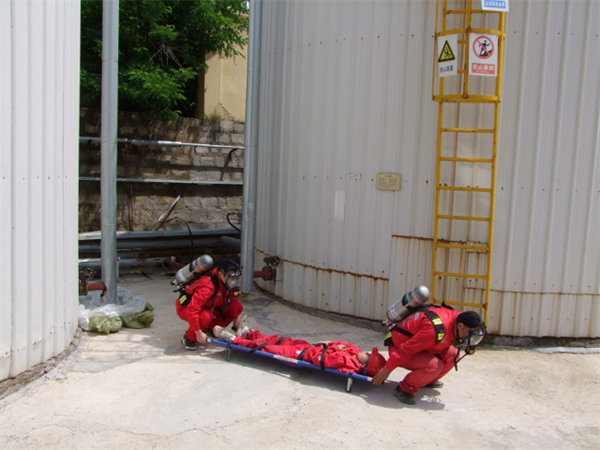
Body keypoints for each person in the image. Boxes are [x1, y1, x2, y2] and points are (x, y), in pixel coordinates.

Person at [373, 306, 485, 405]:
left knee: (454, 354)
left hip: (424, 346)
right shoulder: (434, 329)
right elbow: (406, 350)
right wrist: (386, 370)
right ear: (460, 326)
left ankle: (425, 380)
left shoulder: (456, 318)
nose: (469, 338)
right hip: (399, 348)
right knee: (435, 366)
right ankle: (404, 389)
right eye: (468, 334)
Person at [213, 326, 387, 376]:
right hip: (308, 347)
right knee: (281, 340)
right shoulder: (355, 353)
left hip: (303, 355)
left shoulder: (348, 363)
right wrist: (332, 344)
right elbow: (343, 343)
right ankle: (250, 333)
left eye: (368, 355)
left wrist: (331, 347)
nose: (366, 352)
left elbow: (322, 360)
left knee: (268, 348)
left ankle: (233, 340)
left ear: (364, 364)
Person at [176, 259, 246, 350]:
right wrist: (198, 333)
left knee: (238, 307)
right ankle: (189, 338)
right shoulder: (207, 287)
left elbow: (232, 300)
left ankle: (210, 329)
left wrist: (235, 322)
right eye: (232, 278)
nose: (234, 281)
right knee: (206, 316)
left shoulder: (225, 281)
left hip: (210, 305)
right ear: (220, 274)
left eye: (236, 278)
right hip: (186, 308)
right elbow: (192, 310)